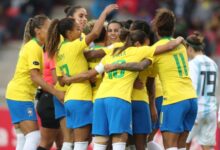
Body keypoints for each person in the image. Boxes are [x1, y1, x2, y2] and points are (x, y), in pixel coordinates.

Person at [47, 4, 119, 150]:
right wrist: (104, 12)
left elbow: (61, 80)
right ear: (69, 33)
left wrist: (73, 78)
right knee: (81, 142)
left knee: (77, 139)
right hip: (80, 97)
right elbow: (94, 34)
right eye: (78, 30)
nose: (81, 32)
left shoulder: (60, 50)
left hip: (70, 99)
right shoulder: (73, 46)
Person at [5, 15, 63, 150]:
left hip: (17, 93)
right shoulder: (34, 47)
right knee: (34, 136)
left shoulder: (34, 46)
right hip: (20, 94)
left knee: (22, 137)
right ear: (38, 31)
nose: (51, 32)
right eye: (49, 29)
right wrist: (56, 92)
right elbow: (35, 76)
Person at [150, 8, 197, 150]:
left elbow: (149, 79)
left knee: (170, 145)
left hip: (174, 99)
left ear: (157, 29)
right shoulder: (182, 47)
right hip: (191, 99)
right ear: (173, 28)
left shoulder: (156, 49)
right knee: (181, 146)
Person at [186, 31, 218, 150]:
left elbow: (192, 88)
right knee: (208, 147)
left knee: (184, 143)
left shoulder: (192, 64)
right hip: (211, 110)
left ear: (189, 48)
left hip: (197, 110)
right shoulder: (213, 63)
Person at [36, 51, 63, 150]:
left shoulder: (46, 54)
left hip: (48, 98)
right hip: (51, 99)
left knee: (62, 143)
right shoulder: (54, 55)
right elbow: (56, 80)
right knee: (47, 143)